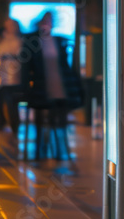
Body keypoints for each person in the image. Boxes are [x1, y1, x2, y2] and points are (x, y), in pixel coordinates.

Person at [22, 11, 83, 158]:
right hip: (41, 85)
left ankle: (60, 151)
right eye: (46, 21)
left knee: (59, 120)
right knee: (40, 120)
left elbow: (63, 65)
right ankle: (40, 150)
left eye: (50, 21)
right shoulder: (33, 40)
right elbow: (27, 65)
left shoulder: (57, 41)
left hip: (58, 84)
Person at [0, 19, 24, 135]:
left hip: (13, 76)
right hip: (3, 75)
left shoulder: (19, 41)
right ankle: (1, 123)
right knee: (1, 100)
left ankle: (14, 124)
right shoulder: (4, 40)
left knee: (11, 101)